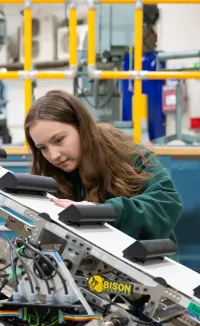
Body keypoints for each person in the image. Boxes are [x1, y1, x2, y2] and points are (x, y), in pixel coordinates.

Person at [24, 89, 183, 245]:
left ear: (82, 126)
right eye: (43, 148)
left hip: (142, 266)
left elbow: (166, 205)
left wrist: (102, 212)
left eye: (59, 140)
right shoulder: (51, 175)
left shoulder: (130, 157)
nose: (53, 155)